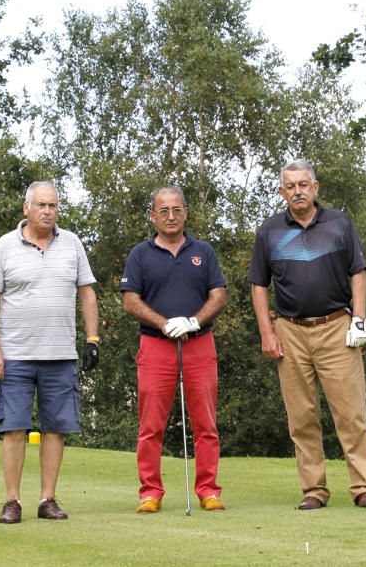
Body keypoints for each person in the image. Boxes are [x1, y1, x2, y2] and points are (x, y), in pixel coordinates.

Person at [248, 158, 366, 510]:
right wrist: (267, 332)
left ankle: (364, 486)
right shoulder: (269, 230)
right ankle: (314, 490)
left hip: (336, 326)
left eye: (303, 185)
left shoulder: (339, 223)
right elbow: (258, 284)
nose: (297, 192)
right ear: (281, 192)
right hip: (289, 330)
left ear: (315, 187)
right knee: (302, 417)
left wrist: (360, 319)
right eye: (290, 187)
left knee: (350, 413)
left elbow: (358, 272)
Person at [0, 180, 100, 524]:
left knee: (56, 429)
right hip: (14, 354)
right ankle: (12, 501)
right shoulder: (5, 246)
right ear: (27, 208)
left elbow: (87, 294)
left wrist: (93, 339)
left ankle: (48, 499)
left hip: (60, 354)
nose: (48, 211)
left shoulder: (72, 244)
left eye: (53, 206)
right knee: (14, 428)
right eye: (41, 205)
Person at [121, 186, 228, 514]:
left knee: (206, 424)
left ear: (185, 212)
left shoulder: (203, 252)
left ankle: (208, 490)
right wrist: (164, 322)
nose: (171, 216)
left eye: (176, 210)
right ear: (152, 215)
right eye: (163, 211)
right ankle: (150, 491)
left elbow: (218, 295)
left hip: (199, 344)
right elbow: (130, 300)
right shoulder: (140, 254)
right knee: (151, 424)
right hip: (155, 346)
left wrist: (193, 321)